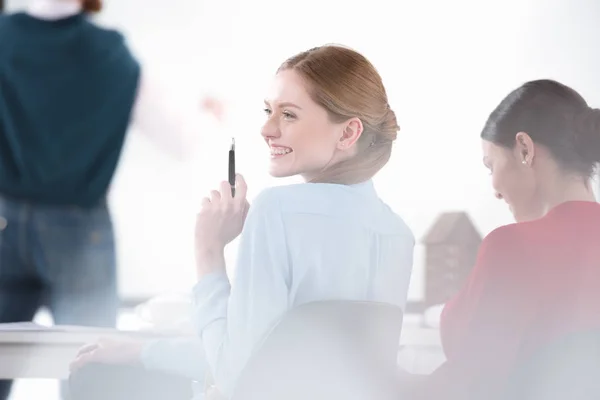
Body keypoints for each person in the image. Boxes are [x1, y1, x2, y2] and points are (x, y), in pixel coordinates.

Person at [70, 44, 415, 399]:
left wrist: (209, 250)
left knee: (96, 380)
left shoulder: (277, 211)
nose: (267, 129)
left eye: (289, 115)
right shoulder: (397, 234)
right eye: (268, 111)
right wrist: (143, 352)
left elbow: (237, 377)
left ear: (348, 133)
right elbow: (272, 361)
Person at [0, 0, 220, 398]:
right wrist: (209, 115)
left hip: (3, 222)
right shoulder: (112, 54)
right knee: (95, 369)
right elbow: (181, 137)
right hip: (80, 231)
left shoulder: (3, 37)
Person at [408, 79, 600, 400]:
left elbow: (471, 381)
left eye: (491, 165)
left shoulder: (514, 247)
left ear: (524, 149)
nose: (495, 189)